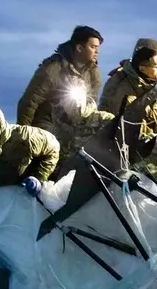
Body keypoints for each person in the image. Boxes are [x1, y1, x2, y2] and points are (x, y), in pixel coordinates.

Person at [15, 25, 106, 177]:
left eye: (98, 47)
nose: (97, 51)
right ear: (79, 47)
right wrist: (23, 137)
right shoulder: (52, 69)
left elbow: (92, 102)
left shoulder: (93, 72)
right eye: (93, 46)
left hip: (75, 123)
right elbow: (29, 102)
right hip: (48, 121)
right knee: (50, 152)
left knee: (103, 124)